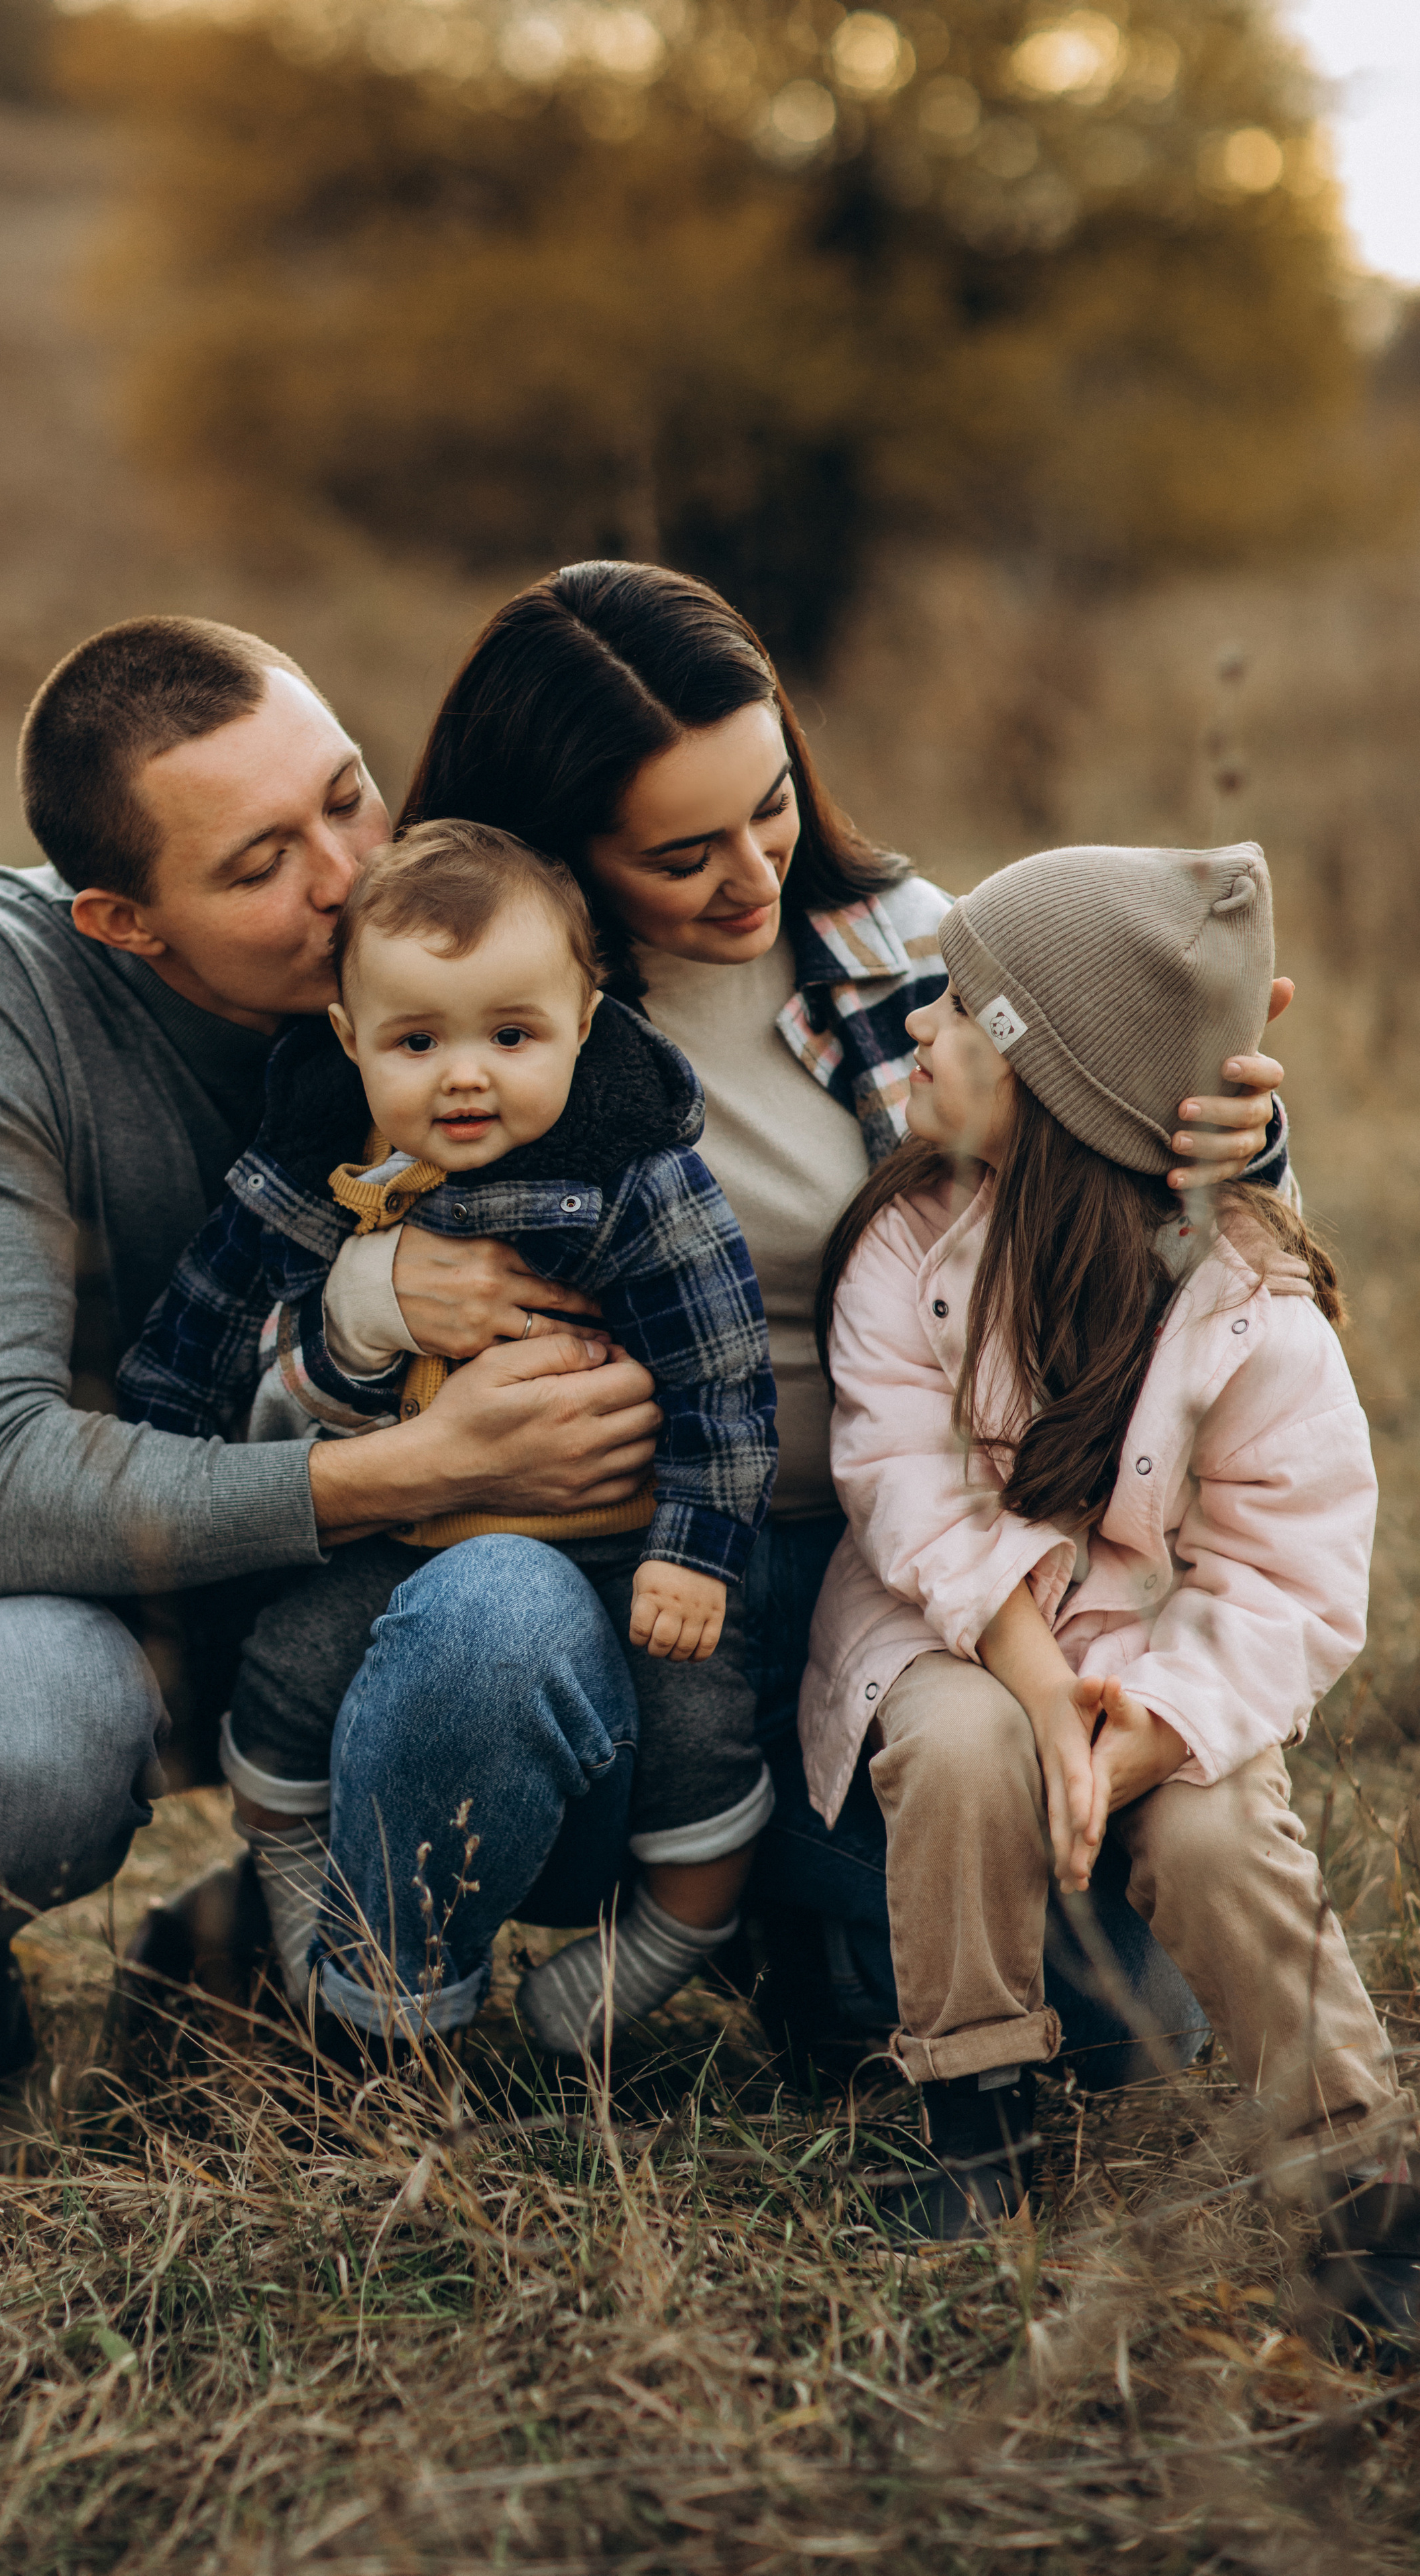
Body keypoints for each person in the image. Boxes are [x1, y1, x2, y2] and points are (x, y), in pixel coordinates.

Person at [327, 559, 1291, 2084]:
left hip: (904, 1577)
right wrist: (374, 1292)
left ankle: (801, 1920)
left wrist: (1219, 1145)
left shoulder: (915, 948)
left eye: (770, 803)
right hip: (629, 1589)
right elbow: (284, 1291)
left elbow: (1106, 1209)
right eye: (680, 852)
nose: (752, 875)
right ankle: (373, 2018)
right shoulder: (470, 1007)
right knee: (481, 1640)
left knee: (1121, 2040)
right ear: (559, 853)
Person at [0, 616, 664, 2168]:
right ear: (122, 918)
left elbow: (780, 896)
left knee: (582, 1659)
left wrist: (1180, 1091)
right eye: (255, 866)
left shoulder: (442, 938)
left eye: (346, 798)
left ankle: (252, 1958)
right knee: (35, 1727)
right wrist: (420, 1467)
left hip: (293, 1564)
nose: (347, 875)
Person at [803, 838, 1417, 2344]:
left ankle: (1355, 2178)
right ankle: (976, 2107)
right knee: (952, 1750)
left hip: (1159, 1666)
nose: (920, 1031)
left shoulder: (1251, 1317)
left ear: (1053, 1079)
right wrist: (1030, 1687)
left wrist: (1143, 1729)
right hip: (948, 1623)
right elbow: (903, 1485)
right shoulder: (908, 1241)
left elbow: (1285, 1577)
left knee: (1217, 1835)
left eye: (957, 1008)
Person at [117, 819, 779, 2052]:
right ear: (349, 1040)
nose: (464, 1078)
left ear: (585, 1021)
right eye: (418, 1042)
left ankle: (666, 1945)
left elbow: (725, 1372)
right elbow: (209, 1310)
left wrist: (695, 1548)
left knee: (702, 1731)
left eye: (512, 1037)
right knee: (288, 1670)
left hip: (627, 1549)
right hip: (403, 1534)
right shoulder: (324, 1160)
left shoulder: (634, 1170)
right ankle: (307, 1899)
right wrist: (160, 1423)